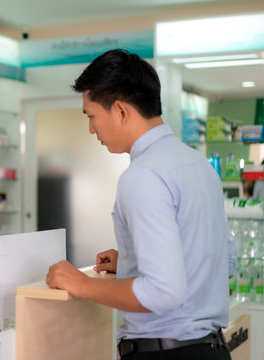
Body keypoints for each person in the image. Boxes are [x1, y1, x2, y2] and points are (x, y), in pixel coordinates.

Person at [45, 49, 237, 360]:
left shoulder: (143, 176)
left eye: (91, 115)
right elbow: (223, 267)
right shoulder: (199, 166)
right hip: (211, 350)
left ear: (120, 110)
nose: (91, 129)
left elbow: (163, 292)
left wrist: (80, 283)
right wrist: (130, 264)